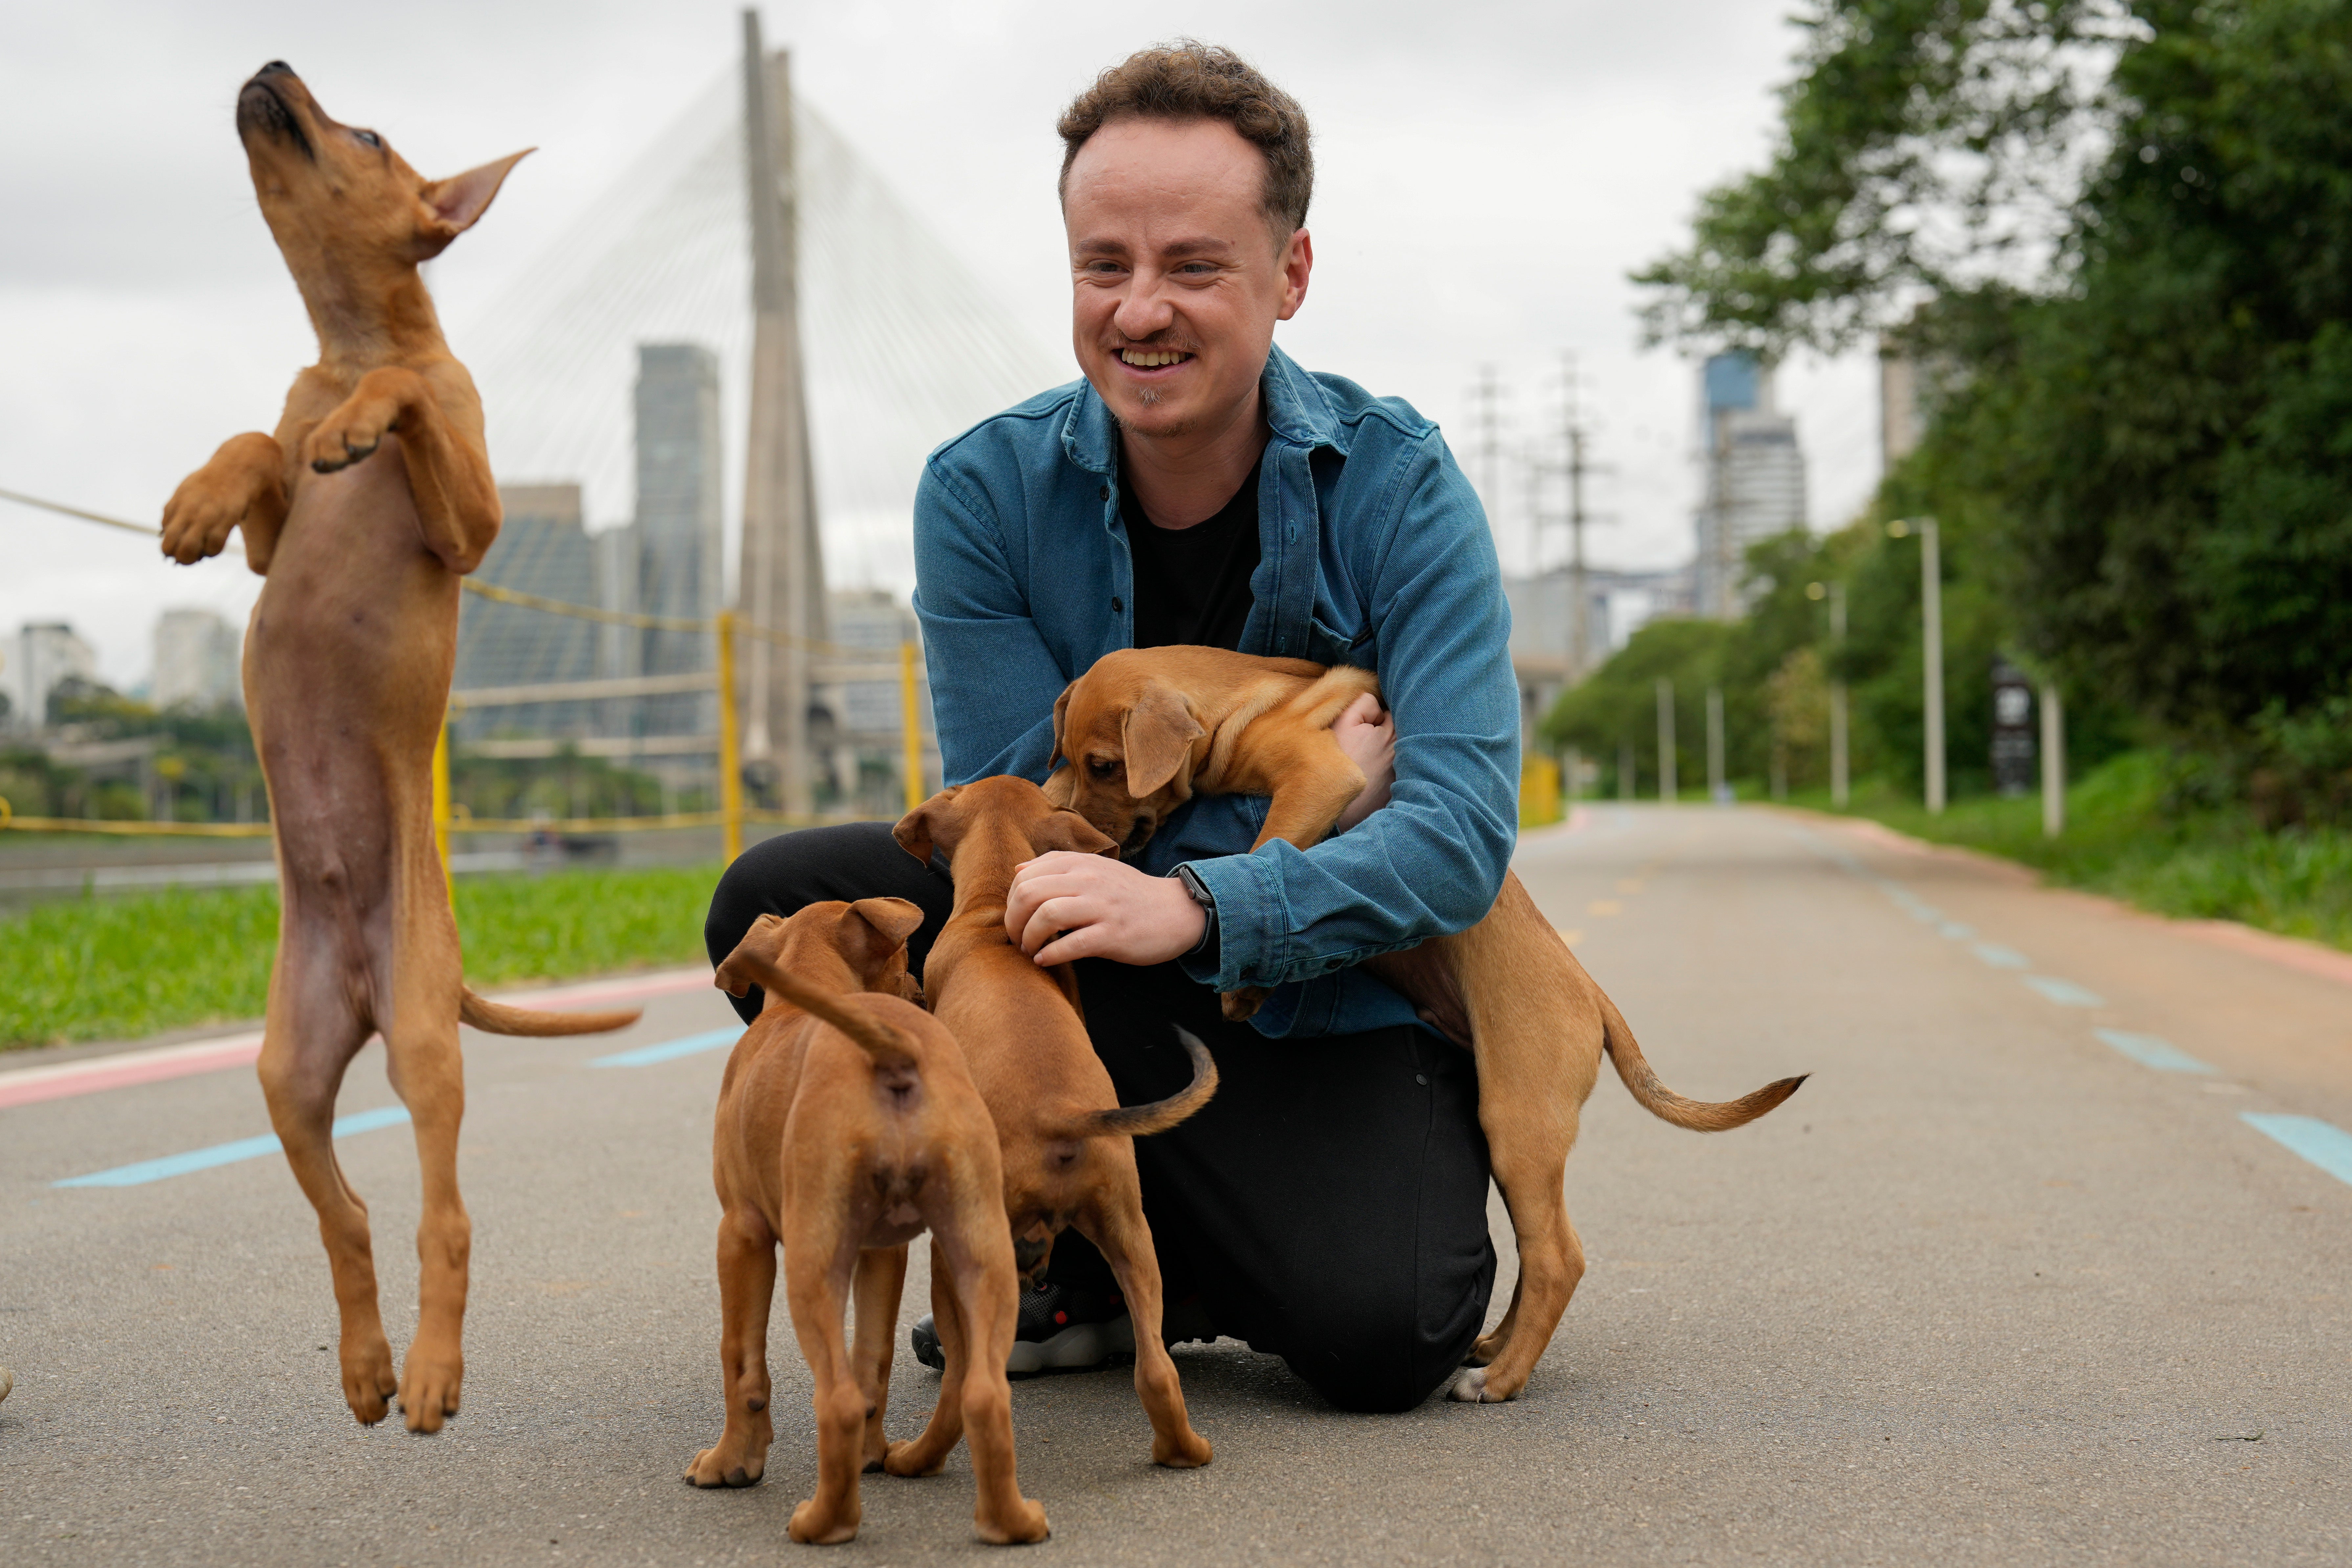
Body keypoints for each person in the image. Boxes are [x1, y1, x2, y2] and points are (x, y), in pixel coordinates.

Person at [703, 41, 1519, 1413]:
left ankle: (1152, 1246)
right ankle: (1013, 1216)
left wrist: (1206, 903)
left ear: (1292, 276)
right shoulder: (983, 493)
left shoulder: (1397, 489)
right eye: (1104, 266)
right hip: (1074, 959)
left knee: (1388, 1331)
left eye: (1194, 266)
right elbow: (1018, 813)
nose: (1142, 310)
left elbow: (1460, 841)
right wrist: (1323, 796)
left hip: (1318, 990)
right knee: (778, 903)